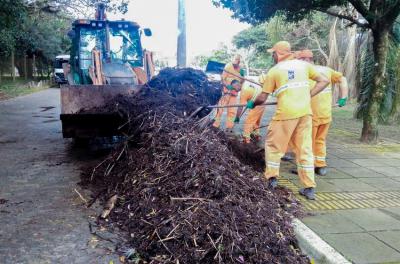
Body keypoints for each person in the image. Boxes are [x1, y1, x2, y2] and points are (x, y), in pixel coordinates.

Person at [247, 41, 329, 200]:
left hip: (285, 115)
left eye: (273, 53)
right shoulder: (303, 66)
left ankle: (271, 179)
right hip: (305, 113)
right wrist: (308, 95)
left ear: (278, 53)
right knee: (304, 150)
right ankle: (309, 187)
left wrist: (253, 103)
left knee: (273, 146)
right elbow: (324, 81)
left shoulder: (275, 71)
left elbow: (263, 97)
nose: (272, 55)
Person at [296, 49, 349, 176]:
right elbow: (343, 79)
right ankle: (320, 165)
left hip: (310, 115)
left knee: (307, 142)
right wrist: (343, 97)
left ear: (305, 60)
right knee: (320, 140)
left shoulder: (304, 72)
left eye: (298, 60)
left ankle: (307, 167)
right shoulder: (326, 70)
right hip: (326, 114)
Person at [213, 55, 245, 131]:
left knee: (232, 111)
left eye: (237, 61)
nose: (235, 63)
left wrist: (239, 87)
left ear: (239, 62)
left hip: (234, 94)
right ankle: (215, 125)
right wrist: (228, 86)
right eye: (234, 61)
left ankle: (229, 127)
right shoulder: (228, 66)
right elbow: (223, 79)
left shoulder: (241, 70)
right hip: (226, 92)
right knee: (220, 109)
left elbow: (243, 80)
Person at [235, 79, 265, 144]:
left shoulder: (243, 91)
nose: (234, 90)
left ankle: (246, 140)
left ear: (237, 84)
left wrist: (237, 117)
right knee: (256, 121)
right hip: (263, 101)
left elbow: (240, 107)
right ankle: (256, 135)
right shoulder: (247, 83)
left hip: (256, 103)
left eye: (234, 87)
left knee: (248, 122)